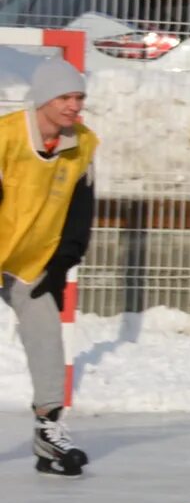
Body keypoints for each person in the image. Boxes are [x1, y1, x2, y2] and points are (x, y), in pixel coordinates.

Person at [2, 52, 94, 476]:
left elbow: (81, 210)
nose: (75, 106)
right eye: (66, 98)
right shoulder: (5, 137)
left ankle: (49, 431)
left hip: (29, 261)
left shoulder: (82, 146)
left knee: (46, 334)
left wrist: (63, 261)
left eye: (79, 97)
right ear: (42, 100)